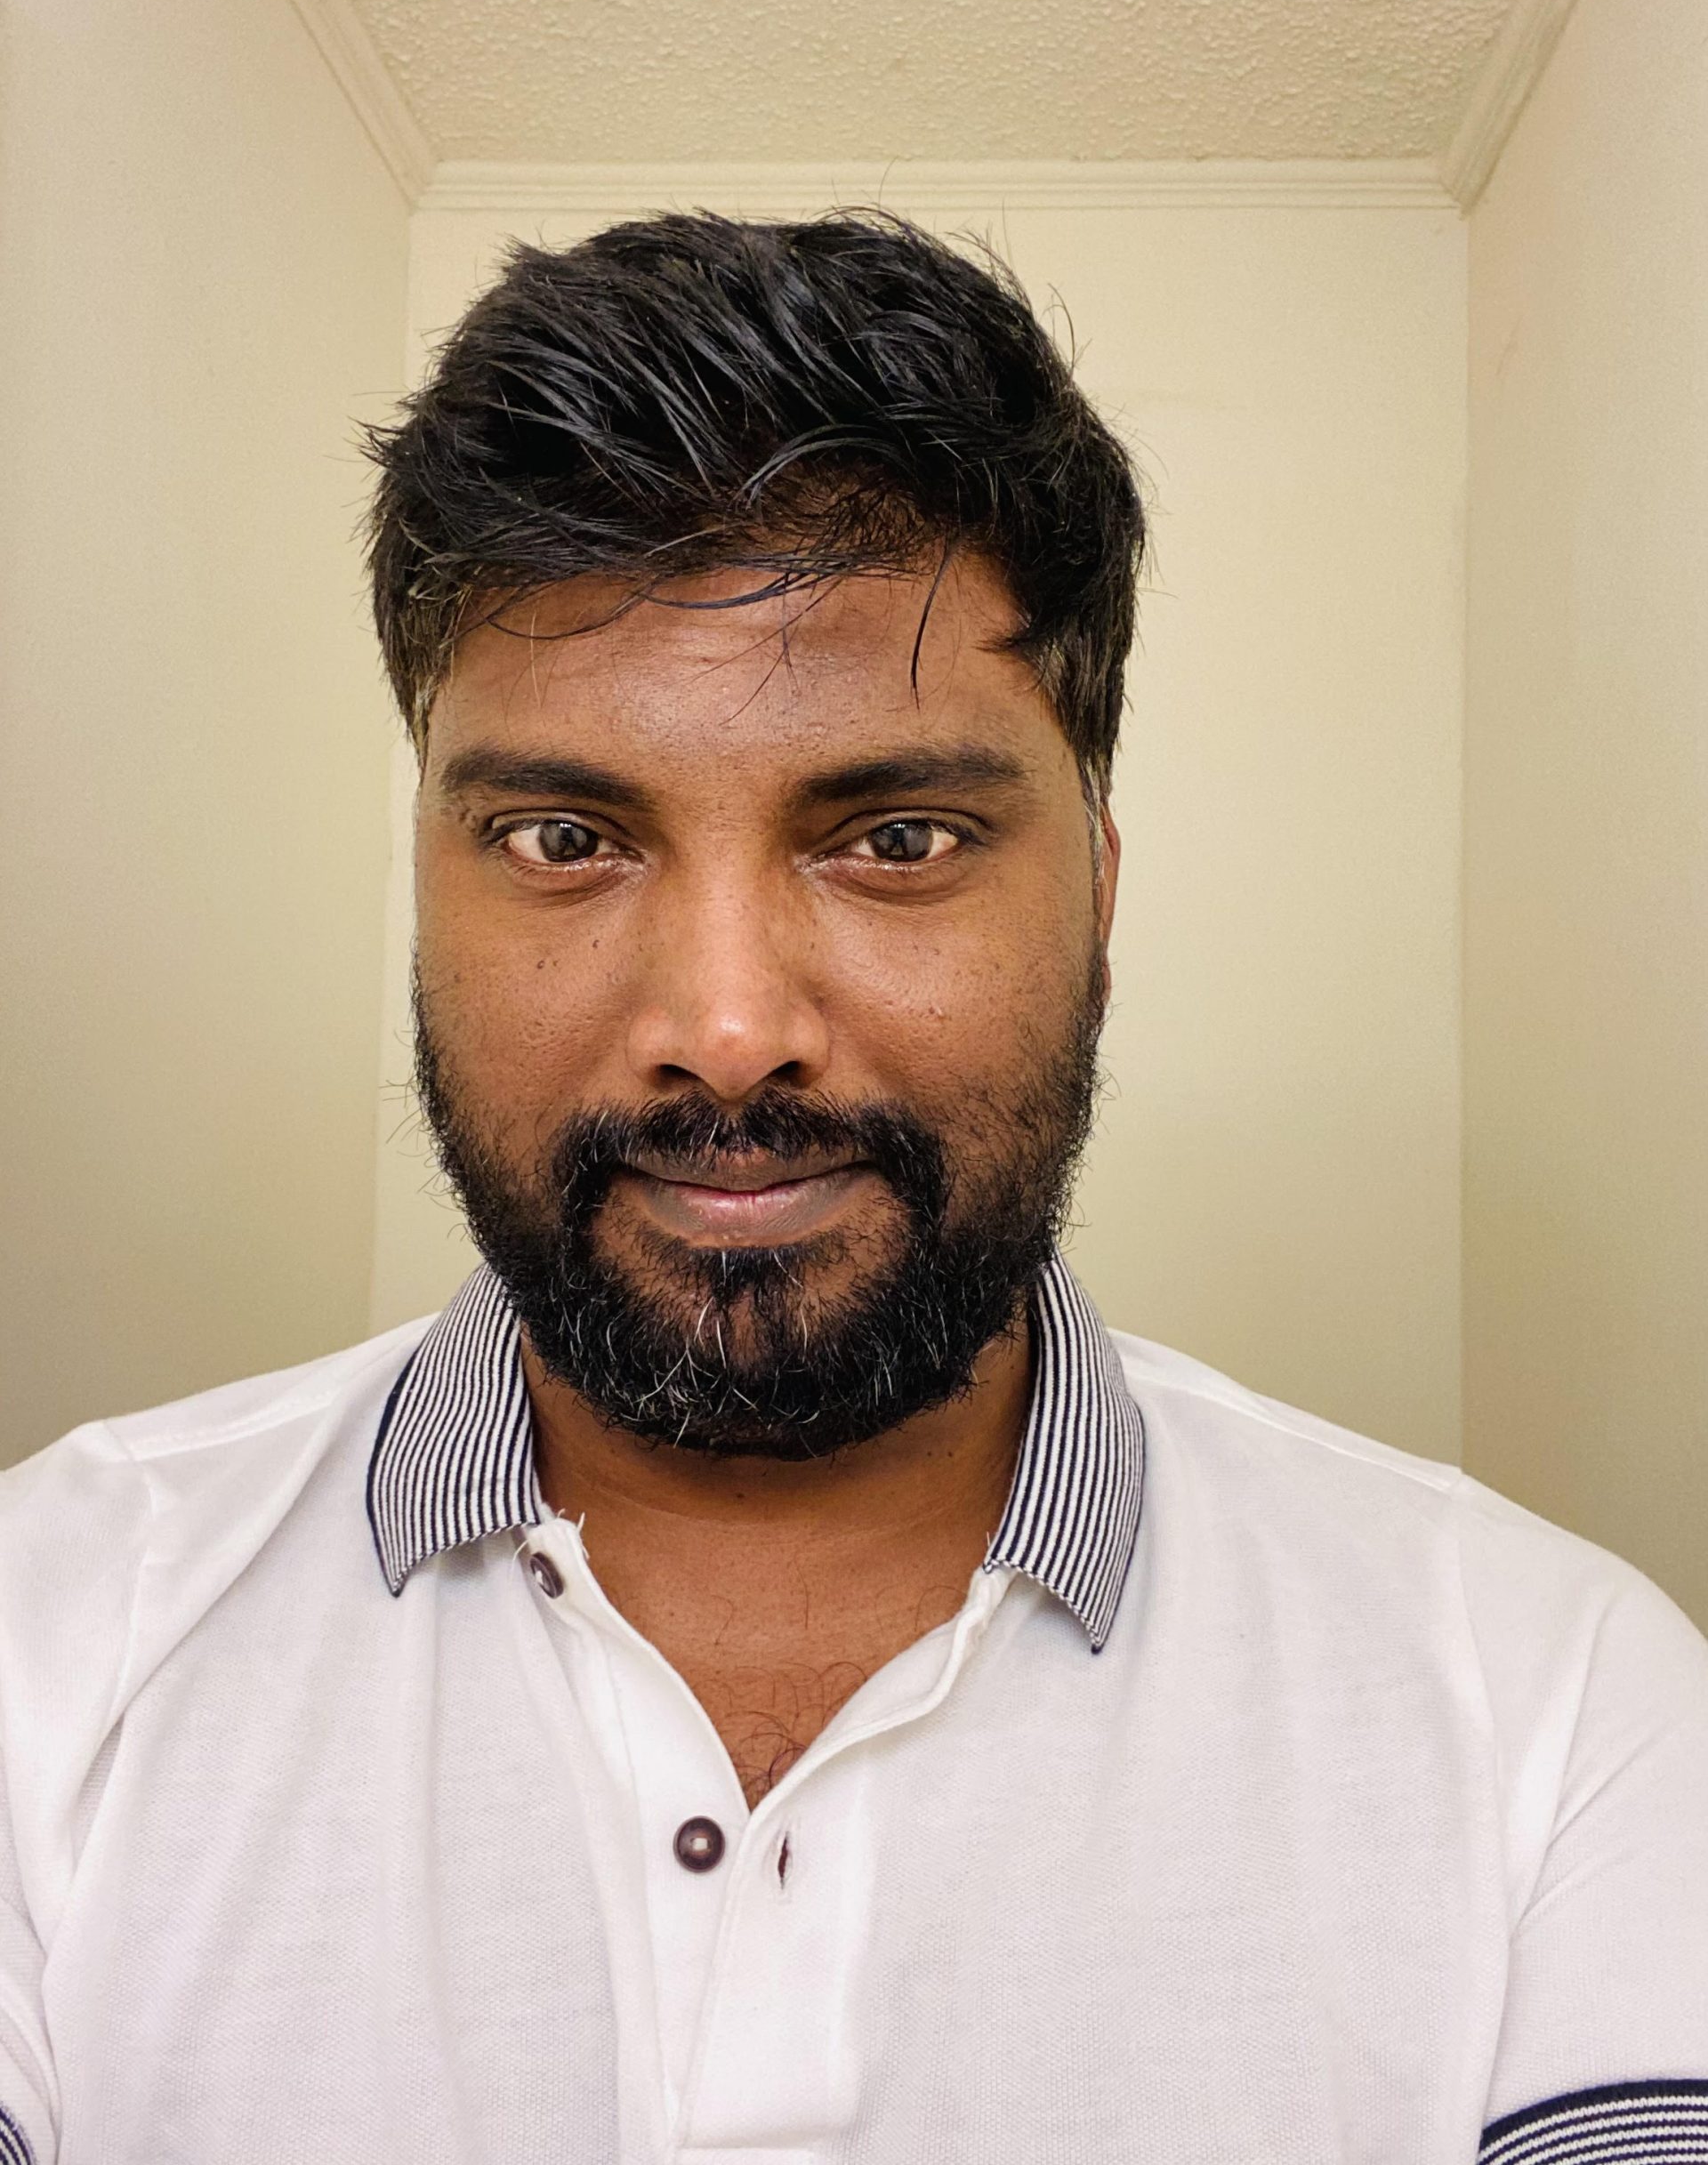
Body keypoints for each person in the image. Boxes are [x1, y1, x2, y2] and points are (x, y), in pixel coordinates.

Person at [1, 213, 1704, 2165]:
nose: (727, 1029)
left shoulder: (1555, 1710)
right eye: (564, 834)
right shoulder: (51, 1640)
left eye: (895, 835)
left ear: (1101, 896)